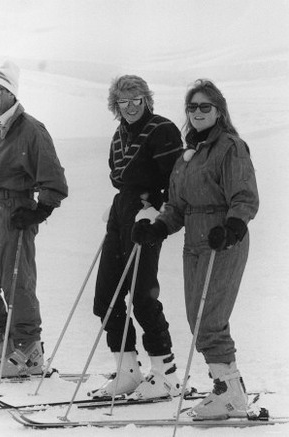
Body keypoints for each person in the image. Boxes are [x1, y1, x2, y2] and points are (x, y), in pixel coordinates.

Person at [132, 79, 259, 419]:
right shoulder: (188, 156)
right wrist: (157, 227)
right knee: (198, 319)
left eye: (205, 106)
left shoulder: (230, 147)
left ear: (219, 111)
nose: (198, 112)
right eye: (193, 107)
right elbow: (177, 207)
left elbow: (244, 196)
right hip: (195, 245)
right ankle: (226, 387)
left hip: (223, 241)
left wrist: (232, 227)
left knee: (210, 320)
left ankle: (229, 395)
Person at [0, 61, 68, 377]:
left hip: (14, 212)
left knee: (16, 283)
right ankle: (0, 345)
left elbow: (54, 181)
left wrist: (39, 210)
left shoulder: (30, 130)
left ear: (11, 92)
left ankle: (28, 351)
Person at [90, 75, 184, 400]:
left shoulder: (162, 129)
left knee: (142, 295)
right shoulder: (119, 136)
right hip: (123, 211)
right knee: (106, 297)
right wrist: (121, 206)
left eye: (136, 100)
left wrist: (155, 208)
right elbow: (120, 177)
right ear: (115, 105)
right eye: (123, 101)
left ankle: (165, 374)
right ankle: (128, 371)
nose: (130, 107)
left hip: (147, 215)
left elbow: (177, 178)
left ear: (147, 100)